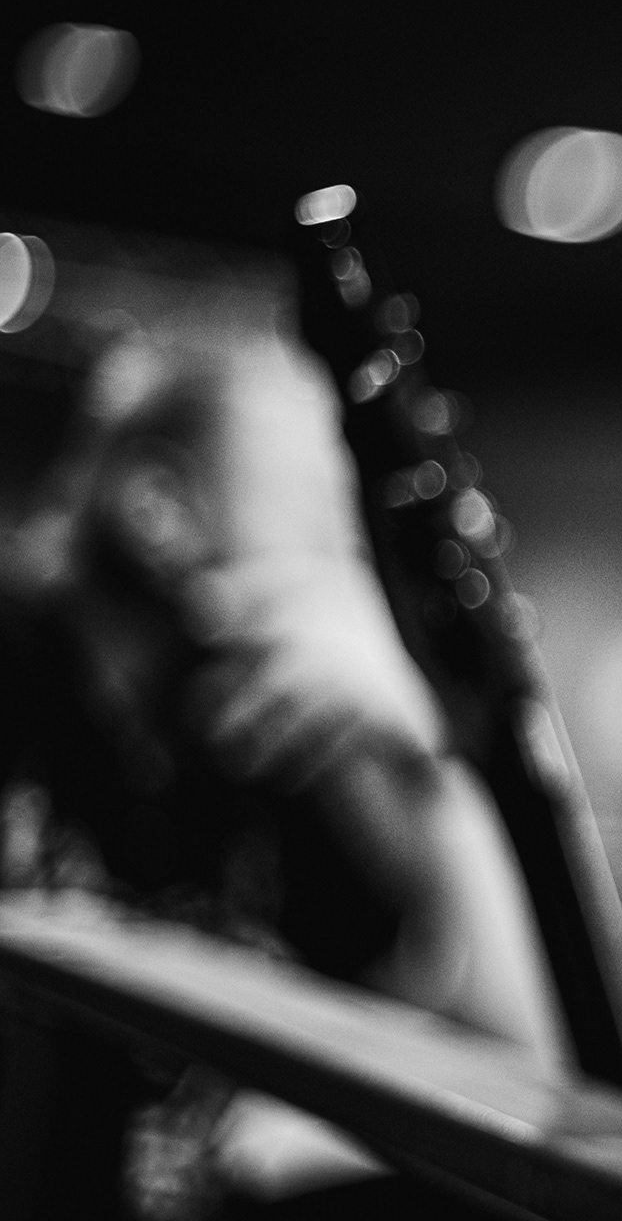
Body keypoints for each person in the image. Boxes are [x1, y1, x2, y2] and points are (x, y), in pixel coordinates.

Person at [0, 273, 565, 1217]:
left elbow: (525, 1090)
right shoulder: (19, 672)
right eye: (316, 518)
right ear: (158, 508)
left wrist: (427, 767)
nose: (350, 582)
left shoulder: (264, 744)